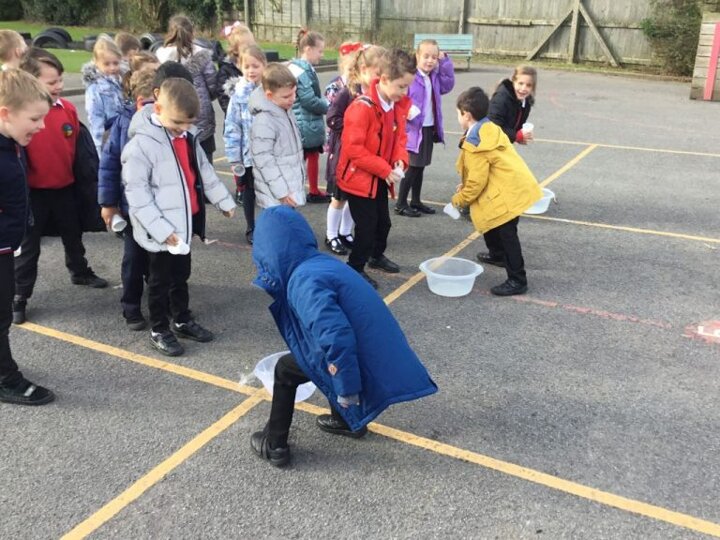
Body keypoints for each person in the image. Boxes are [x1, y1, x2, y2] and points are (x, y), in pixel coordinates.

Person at [249, 206, 437, 467]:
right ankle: (344, 421)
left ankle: (275, 445)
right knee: (316, 354)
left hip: (359, 356)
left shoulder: (303, 281)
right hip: (374, 350)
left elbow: (336, 337)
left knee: (285, 370)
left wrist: (348, 390)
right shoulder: (319, 264)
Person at [121, 78, 236, 356]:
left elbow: (204, 172)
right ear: (158, 107)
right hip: (160, 230)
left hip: (183, 225)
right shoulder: (141, 146)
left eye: (188, 123)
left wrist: (223, 200)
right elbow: (137, 195)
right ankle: (159, 328)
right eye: (177, 123)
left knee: (181, 276)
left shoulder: (187, 137)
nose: (183, 128)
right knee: (159, 282)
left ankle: (182, 318)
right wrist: (162, 231)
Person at [13, 49, 108, 325]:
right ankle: (19, 296)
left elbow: (78, 148)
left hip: (65, 187)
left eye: (60, 79)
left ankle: (80, 271)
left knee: (73, 233)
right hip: (33, 194)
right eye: (51, 81)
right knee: (29, 248)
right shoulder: (24, 117)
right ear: (31, 81)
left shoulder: (66, 109)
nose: (59, 86)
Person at [335, 49, 415, 289]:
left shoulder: (395, 105)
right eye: (402, 86)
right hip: (358, 181)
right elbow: (354, 149)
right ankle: (355, 267)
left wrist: (400, 160)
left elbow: (400, 139)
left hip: (379, 177)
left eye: (407, 87)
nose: (405, 92)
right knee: (367, 227)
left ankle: (375, 256)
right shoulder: (361, 107)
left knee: (383, 224)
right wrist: (384, 169)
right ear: (385, 79)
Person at [451, 87, 542, 296]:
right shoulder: (488, 127)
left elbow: (476, 182)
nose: (458, 117)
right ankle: (497, 254)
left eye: (458, 113)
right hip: (512, 187)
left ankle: (517, 279)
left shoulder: (476, 143)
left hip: (508, 194)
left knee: (507, 234)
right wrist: (466, 185)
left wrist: (459, 199)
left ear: (466, 115)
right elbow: (480, 172)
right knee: (491, 223)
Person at [0, 69, 55, 405]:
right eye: (34, 119)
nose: (42, 126)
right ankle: (5, 379)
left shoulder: (10, 144)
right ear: (5, 113)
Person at [98, 68, 158, 331]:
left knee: (159, 261)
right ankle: (131, 307)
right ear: (138, 100)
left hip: (160, 208)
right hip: (132, 208)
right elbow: (109, 165)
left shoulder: (166, 123)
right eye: (147, 103)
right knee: (134, 260)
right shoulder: (122, 124)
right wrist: (108, 204)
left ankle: (160, 302)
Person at [395, 39, 455, 217]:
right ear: (417, 56)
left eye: (434, 57)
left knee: (421, 166)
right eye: (426, 56)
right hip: (413, 129)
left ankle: (416, 200)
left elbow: (448, 85)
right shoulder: (411, 77)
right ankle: (401, 203)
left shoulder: (433, 76)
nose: (430, 61)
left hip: (428, 127)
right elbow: (399, 98)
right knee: (413, 166)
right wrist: (407, 111)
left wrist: (445, 62)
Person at [322, 41, 367, 256]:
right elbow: (332, 118)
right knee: (338, 198)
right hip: (342, 153)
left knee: (354, 197)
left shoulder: (367, 92)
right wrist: (352, 129)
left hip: (359, 154)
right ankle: (331, 235)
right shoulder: (345, 92)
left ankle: (345, 232)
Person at [156, 15, 219, 162]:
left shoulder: (160, 57)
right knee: (204, 160)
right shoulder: (202, 55)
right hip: (199, 114)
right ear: (192, 32)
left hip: (173, 113)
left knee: (179, 160)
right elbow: (212, 85)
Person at [224, 45, 266, 244]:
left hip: (267, 155)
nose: (251, 70)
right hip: (248, 155)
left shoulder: (270, 91)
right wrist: (235, 158)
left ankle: (268, 226)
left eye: (256, 66)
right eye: (247, 66)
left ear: (264, 66)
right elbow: (232, 128)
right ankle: (251, 226)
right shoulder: (238, 96)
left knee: (268, 192)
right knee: (249, 191)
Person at [249, 63, 307, 210]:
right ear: (269, 95)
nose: (293, 99)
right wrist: (281, 192)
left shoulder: (285, 109)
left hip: (288, 188)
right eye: (287, 96)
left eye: (294, 93)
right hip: (276, 195)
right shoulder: (264, 121)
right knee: (279, 223)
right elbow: (263, 159)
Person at [288, 29, 329, 203]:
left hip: (307, 121)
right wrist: (328, 106)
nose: (322, 55)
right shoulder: (301, 72)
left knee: (311, 154)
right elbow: (308, 100)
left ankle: (312, 190)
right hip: (304, 121)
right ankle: (296, 191)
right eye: (320, 51)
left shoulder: (304, 69)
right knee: (303, 157)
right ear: (308, 49)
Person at [82, 37, 124, 154]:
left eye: (115, 63)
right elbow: (95, 119)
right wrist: (99, 150)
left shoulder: (123, 81)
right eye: (106, 64)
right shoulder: (95, 89)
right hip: (108, 138)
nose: (112, 68)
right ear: (96, 62)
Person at [488, 65, 537, 145]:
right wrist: (515, 136)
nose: (523, 88)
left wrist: (522, 135)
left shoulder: (526, 102)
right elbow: (492, 126)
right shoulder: (501, 99)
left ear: (532, 87)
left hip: (501, 144)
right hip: (484, 143)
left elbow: (516, 126)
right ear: (514, 82)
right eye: (520, 83)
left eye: (528, 85)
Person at [217, 22, 255, 115]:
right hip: (236, 117)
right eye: (245, 46)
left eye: (251, 45)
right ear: (235, 49)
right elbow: (224, 99)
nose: (249, 49)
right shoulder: (226, 70)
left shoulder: (256, 65)